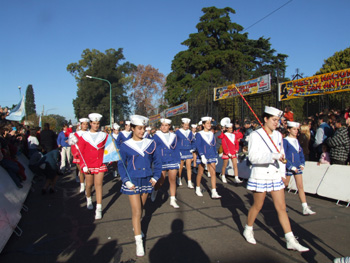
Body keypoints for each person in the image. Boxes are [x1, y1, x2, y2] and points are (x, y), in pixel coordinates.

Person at [243, 106, 309, 252]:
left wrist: (282, 173)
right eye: (273, 120)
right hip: (260, 175)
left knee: (281, 208)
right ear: (265, 119)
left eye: (278, 120)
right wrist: (272, 156)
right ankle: (248, 228)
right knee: (257, 206)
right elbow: (252, 157)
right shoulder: (256, 135)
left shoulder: (279, 135)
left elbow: (282, 155)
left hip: (275, 175)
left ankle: (290, 239)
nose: (276, 123)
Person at [118, 115, 162, 257]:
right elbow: (121, 164)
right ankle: (138, 242)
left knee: (141, 209)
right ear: (132, 128)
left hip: (146, 181)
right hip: (132, 181)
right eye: (139, 128)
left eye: (143, 128)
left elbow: (158, 162)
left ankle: (137, 228)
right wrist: (126, 180)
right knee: (137, 211)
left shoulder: (151, 143)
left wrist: (156, 177)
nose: (142, 131)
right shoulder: (125, 145)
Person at [78, 113, 108, 220]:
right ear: (90, 123)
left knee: (98, 185)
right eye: (94, 123)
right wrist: (83, 165)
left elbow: (109, 148)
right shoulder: (84, 137)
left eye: (98, 123)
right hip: (88, 165)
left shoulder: (104, 135)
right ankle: (89, 198)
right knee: (89, 185)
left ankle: (98, 209)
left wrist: (109, 158)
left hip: (99, 163)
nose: (96, 125)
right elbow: (80, 152)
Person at [283, 121, 316, 215]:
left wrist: (302, 163)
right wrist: (290, 166)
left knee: (300, 186)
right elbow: (283, 155)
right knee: (284, 186)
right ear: (288, 130)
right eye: (294, 129)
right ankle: (282, 205)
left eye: (297, 129)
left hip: (297, 167)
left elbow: (300, 153)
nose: (296, 131)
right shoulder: (285, 141)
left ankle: (305, 207)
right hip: (289, 168)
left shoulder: (297, 141)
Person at [152, 118, 181, 208]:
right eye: (162, 125)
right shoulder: (156, 136)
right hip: (161, 160)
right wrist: (154, 161)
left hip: (172, 160)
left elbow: (176, 149)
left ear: (169, 126)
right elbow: (154, 149)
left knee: (172, 180)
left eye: (166, 125)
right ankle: (155, 191)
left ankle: (172, 199)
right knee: (161, 181)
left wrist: (178, 161)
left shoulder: (174, 136)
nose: (164, 127)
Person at [195, 116, 221, 199]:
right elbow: (198, 146)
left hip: (211, 155)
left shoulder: (211, 134)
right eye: (207, 123)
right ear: (203, 124)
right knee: (200, 172)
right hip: (203, 156)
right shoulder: (199, 134)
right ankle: (198, 188)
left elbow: (214, 145)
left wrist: (215, 156)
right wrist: (202, 155)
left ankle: (214, 191)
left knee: (213, 173)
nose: (209, 125)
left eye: (210, 123)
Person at [70, 118, 89, 193]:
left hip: (87, 155)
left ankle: (87, 186)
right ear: (81, 125)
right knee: (81, 171)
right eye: (83, 124)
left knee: (87, 172)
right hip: (79, 155)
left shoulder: (89, 133)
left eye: (86, 124)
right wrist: (75, 153)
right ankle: (82, 185)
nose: (85, 126)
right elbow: (73, 145)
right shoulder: (76, 134)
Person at [175, 118, 195, 188]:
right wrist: (177, 151)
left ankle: (189, 182)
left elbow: (193, 141)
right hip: (181, 151)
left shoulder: (190, 132)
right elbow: (175, 142)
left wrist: (192, 149)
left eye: (188, 125)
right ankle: (179, 178)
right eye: (185, 125)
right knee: (180, 166)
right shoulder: (178, 132)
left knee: (189, 167)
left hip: (188, 151)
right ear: (182, 124)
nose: (186, 126)